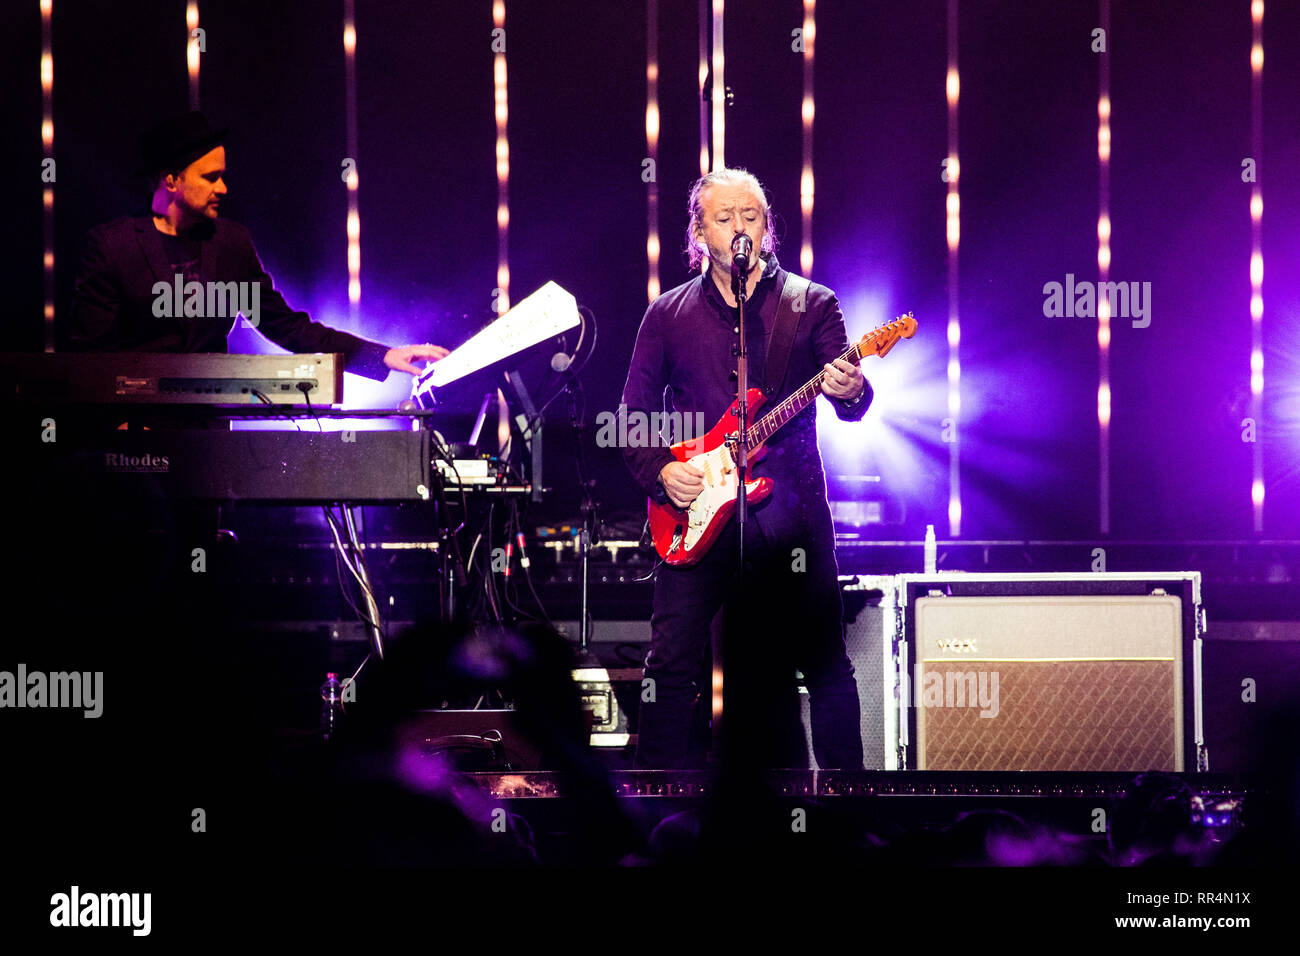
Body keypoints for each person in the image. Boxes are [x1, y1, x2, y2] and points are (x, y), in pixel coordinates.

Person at [621, 167, 871, 770]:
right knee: (672, 664)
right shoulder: (667, 314)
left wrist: (852, 389)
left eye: (751, 217)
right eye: (723, 217)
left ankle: (854, 813)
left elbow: (854, 402)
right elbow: (631, 416)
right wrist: (662, 473)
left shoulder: (811, 305)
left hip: (791, 519)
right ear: (699, 231)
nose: (739, 227)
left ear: (768, 228)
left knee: (824, 660)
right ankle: (653, 810)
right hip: (697, 512)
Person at [68, 111, 447, 378]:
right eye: (211, 177)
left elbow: (286, 327)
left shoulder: (230, 243)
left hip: (206, 435)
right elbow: (89, 356)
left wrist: (380, 357)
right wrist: (115, 423)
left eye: (224, 176)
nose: (223, 188)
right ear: (171, 181)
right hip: (131, 434)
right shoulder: (112, 245)